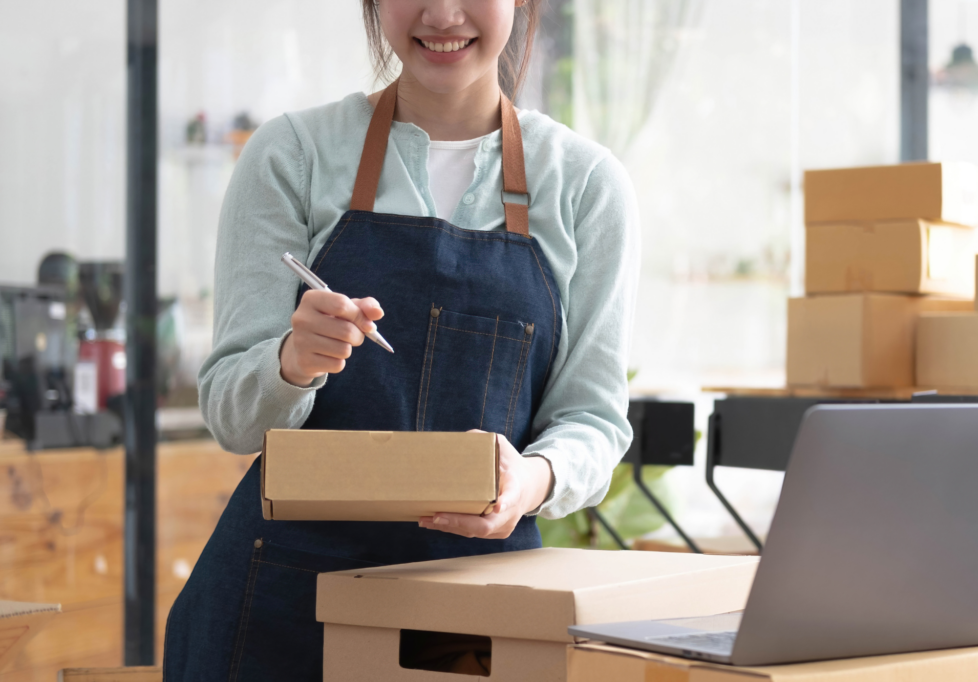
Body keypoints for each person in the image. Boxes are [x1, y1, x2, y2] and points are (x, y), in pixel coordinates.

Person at [163, 0, 639, 678]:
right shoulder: (293, 155)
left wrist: (529, 480)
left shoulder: (586, 186)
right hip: (280, 606)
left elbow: (592, 419)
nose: (442, 13)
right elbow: (232, 419)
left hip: (478, 613)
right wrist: (292, 364)